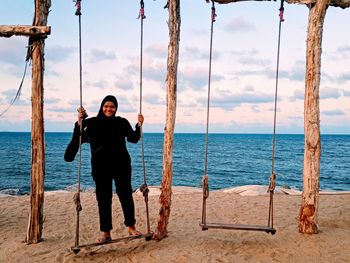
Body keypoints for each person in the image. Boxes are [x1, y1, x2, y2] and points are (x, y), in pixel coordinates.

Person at [64, 95, 144, 243]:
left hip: (122, 164)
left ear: (116, 108)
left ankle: (131, 228)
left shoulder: (122, 122)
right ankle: (106, 233)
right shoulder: (93, 123)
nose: (109, 109)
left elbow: (133, 138)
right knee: (103, 199)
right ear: (102, 107)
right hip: (100, 166)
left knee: (125, 195)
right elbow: (79, 133)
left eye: (112, 106)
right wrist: (80, 120)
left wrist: (139, 126)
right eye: (106, 106)